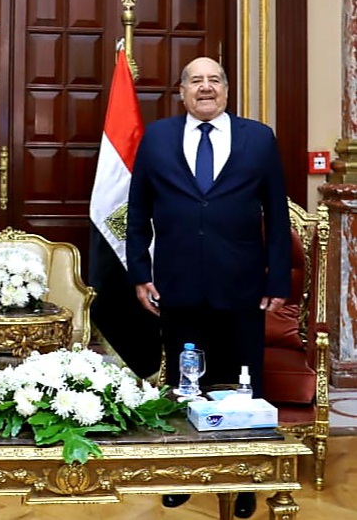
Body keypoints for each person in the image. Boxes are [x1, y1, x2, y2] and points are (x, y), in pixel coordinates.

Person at [126, 57, 291, 519]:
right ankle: (182, 473)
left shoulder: (259, 138)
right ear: (181, 92)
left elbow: (277, 214)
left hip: (242, 286)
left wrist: (277, 278)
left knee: (244, 387)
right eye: (195, 81)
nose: (205, 87)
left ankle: (244, 479)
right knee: (185, 386)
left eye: (214, 80)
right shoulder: (157, 138)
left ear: (227, 90)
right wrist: (139, 272)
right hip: (177, 285)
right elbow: (137, 211)